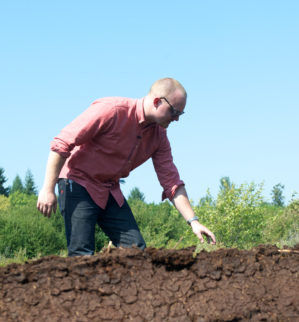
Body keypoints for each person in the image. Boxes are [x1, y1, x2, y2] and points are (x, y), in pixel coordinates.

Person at [37, 77, 216, 255]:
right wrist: (47, 188)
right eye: (174, 112)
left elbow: (171, 182)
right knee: (82, 254)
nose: (176, 119)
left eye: (180, 114)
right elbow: (61, 144)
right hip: (77, 183)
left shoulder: (159, 137)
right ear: (157, 102)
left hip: (108, 189)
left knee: (137, 252)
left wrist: (193, 221)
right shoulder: (111, 110)